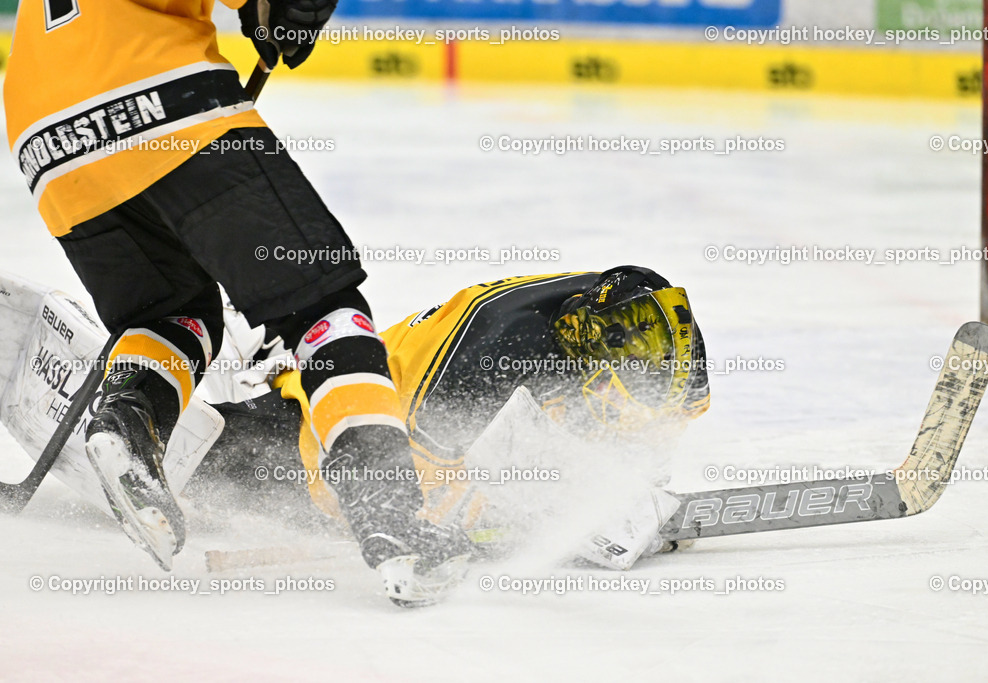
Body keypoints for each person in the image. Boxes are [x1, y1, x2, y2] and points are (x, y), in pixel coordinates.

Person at [3, 0, 467, 603]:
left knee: (169, 315)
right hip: (160, 96)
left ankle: (127, 422)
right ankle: (393, 516)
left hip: (46, 139)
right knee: (321, 306)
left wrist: (271, 17)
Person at [191, 266, 712, 566]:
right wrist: (506, 522)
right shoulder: (491, 356)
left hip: (420, 402)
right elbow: (410, 495)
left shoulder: (637, 321)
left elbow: (666, 413)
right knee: (205, 462)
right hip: (328, 429)